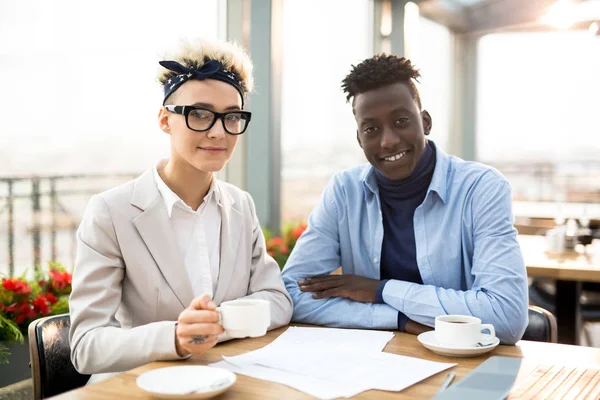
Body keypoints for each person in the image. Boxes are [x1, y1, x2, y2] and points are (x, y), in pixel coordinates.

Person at [69, 39, 293, 381]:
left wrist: (216, 322)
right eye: (199, 114)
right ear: (164, 120)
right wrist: (175, 336)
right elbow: (86, 346)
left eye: (232, 116)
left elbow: (278, 301)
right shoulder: (110, 212)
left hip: (226, 379)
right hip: (140, 386)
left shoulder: (240, 205)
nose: (219, 132)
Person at [281, 54, 528, 344]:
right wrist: (398, 319)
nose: (388, 141)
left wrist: (380, 290)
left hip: (463, 362)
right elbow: (292, 295)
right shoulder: (343, 193)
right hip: (372, 362)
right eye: (371, 129)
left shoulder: (481, 188)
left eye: (401, 121)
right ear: (360, 139)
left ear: (425, 122)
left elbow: (506, 317)